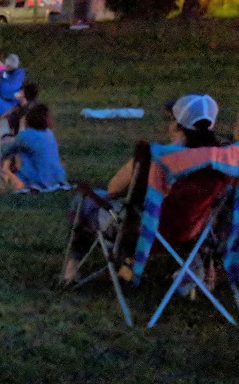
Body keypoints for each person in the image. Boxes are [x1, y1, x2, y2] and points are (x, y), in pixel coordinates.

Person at [63, 94, 225, 283]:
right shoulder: (221, 163)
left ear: (176, 125)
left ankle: (71, 270)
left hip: (141, 233)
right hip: (189, 234)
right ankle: (192, 270)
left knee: (85, 202)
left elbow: (113, 188)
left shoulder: (154, 157)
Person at [0, 103, 69, 191]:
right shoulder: (49, 133)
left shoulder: (24, 136)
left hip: (37, 181)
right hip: (58, 178)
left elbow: (5, 152)